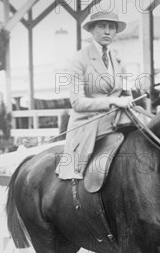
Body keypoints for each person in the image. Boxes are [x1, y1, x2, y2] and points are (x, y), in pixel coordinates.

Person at [56, 10, 134, 180]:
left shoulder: (119, 60)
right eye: (102, 26)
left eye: (112, 27)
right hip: (88, 123)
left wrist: (130, 100)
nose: (107, 31)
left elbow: (127, 93)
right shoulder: (79, 59)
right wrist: (113, 101)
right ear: (92, 30)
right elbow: (78, 103)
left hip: (118, 119)